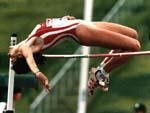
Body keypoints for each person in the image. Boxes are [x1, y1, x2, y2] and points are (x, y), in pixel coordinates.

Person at [9, 16, 141, 94]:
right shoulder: (29, 47)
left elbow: (15, 49)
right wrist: (38, 74)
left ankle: (99, 70)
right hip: (81, 31)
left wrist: (13, 50)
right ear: (22, 58)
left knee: (132, 34)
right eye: (15, 60)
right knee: (135, 47)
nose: (12, 58)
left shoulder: (25, 42)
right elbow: (28, 57)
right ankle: (102, 72)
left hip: (81, 23)